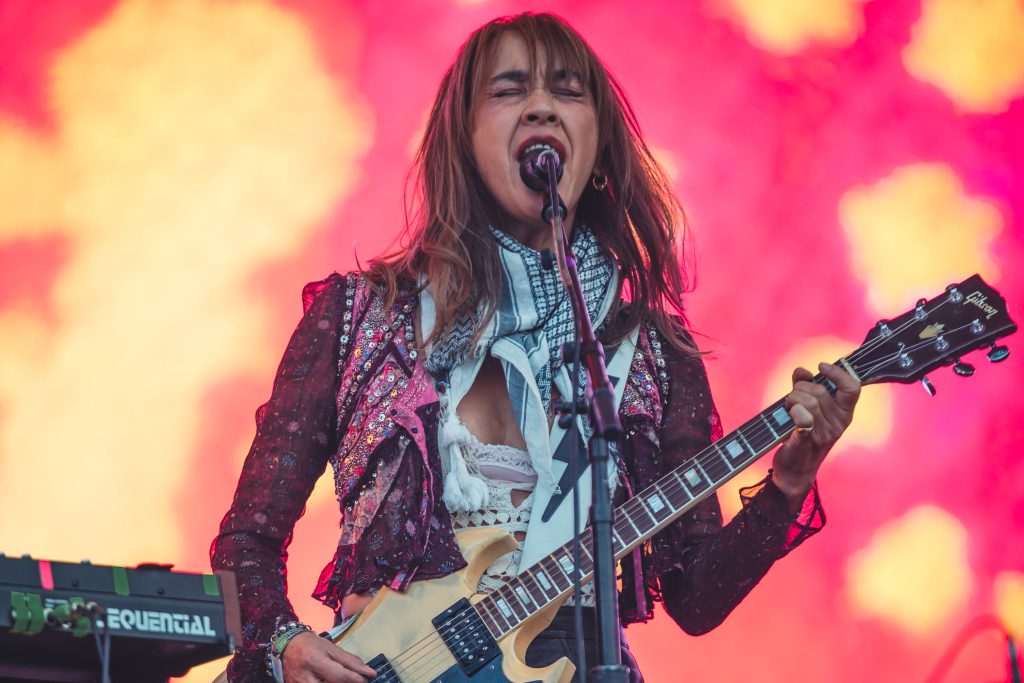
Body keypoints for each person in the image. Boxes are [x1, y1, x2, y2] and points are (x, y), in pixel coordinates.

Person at [211, 12, 861, 683]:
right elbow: (247, 538)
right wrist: (281, 641)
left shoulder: (651, 347)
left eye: (568, 91)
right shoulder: (362, 317)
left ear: (598, 143)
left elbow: (695, 598)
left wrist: (788, 482)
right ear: (464, 138)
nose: (541, 106)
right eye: (509, 89)